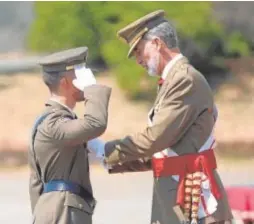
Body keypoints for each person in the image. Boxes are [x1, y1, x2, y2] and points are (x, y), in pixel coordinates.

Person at [91, 10, 233, 224]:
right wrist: (109, 161)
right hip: (179, 201)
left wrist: (105, 150)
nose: (138, 60)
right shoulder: (173, 81)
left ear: (157, 43)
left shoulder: (184, 80)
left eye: (139, 51)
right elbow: (165, 154)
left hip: (193, 203)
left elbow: (156, 139)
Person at [28, 46, 112, 224]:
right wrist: (92, 88)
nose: (85, 80)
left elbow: (35, 183)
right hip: (63, 211)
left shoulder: (50, 120)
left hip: (57, 210)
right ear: (65, 82)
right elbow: (95, 123)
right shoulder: (53, 122)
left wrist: (44, 212)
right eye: (80, 75)